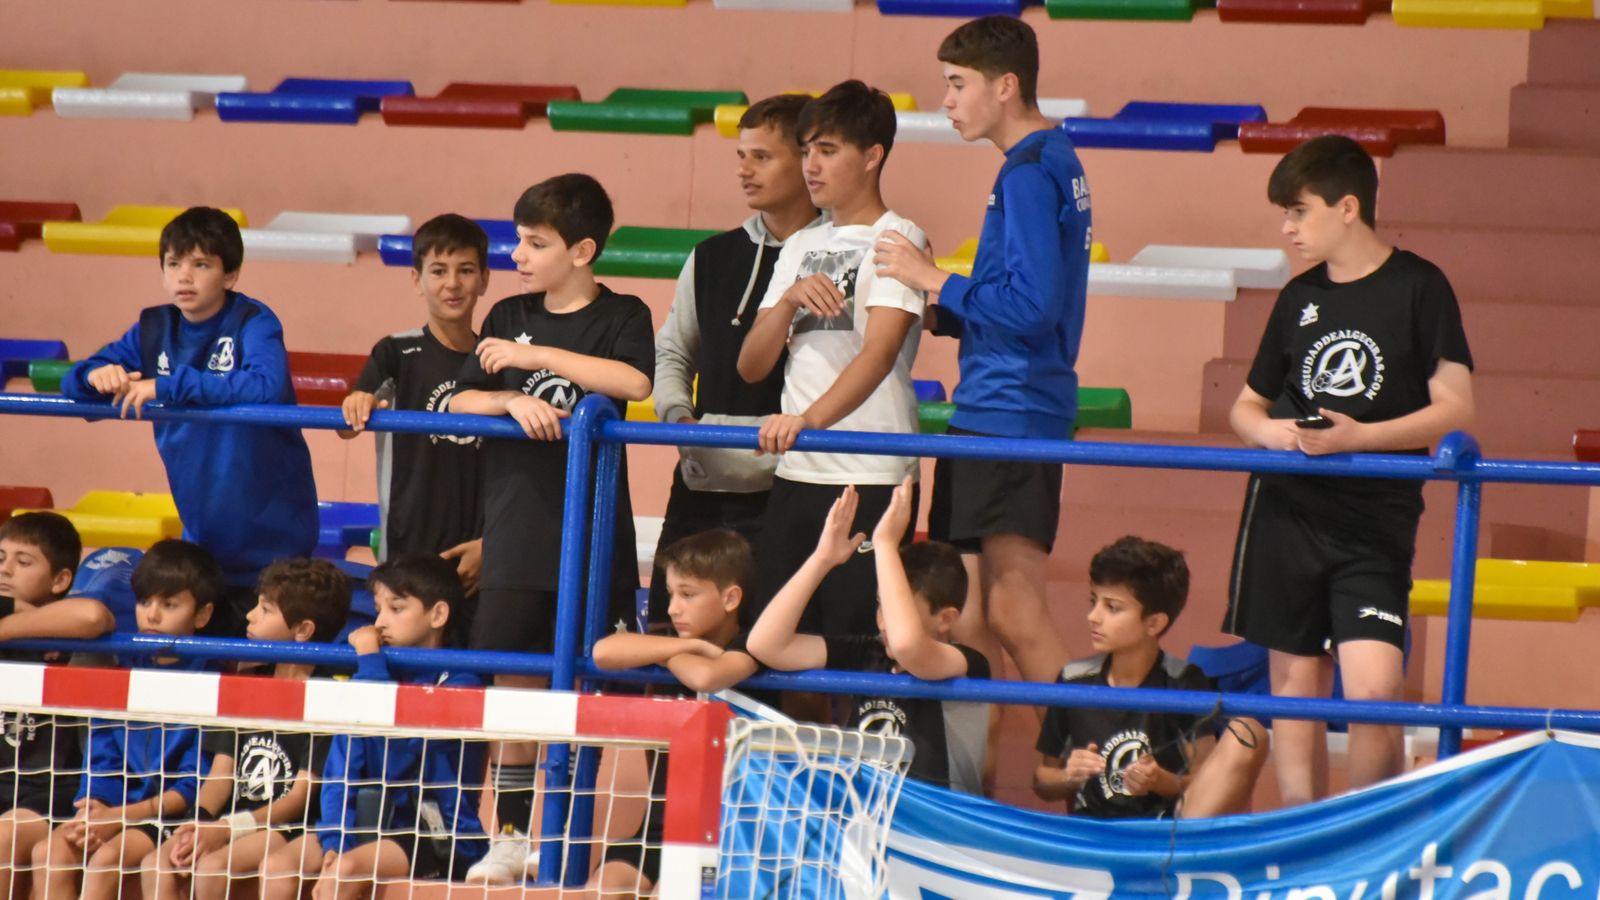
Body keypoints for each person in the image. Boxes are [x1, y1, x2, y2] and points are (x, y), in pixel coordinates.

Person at [1224, 134, 1474, 806]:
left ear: (1348, 209)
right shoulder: (1295, 298)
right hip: (1287, 513)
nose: (1287, 228)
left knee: (1374, 691)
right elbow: (1243, 409)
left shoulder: (1421, 286)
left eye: (1298, 211)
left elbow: (1456, 405)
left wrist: (1361, 439)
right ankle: (1301, 840)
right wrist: (1269, 432)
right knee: (1295, 692)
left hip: (1376, 523)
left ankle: (1369, 841)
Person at [873, 16, 1092, 691]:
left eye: (956, 83)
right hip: (1000, 406)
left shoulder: (1029, 171)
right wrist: (945, 310)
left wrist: (931, 277)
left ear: (1006, 86)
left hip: (1012, 413)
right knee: (962, 619)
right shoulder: (1048, 160)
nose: (946, 100)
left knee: (1012, 612)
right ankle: (979, 781)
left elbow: (1031, 308)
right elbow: (1015, 302)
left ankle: (1095, 769)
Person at [448, 173, 654, 884]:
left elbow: (634, 385)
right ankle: (508, 835)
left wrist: (538, 361)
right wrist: (506, 398)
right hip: (515, 534)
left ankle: (580, 839)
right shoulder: (506, 312)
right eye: (517, 240)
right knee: (514, 686)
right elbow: (459, 397)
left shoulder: (624, 314)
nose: (519, 254)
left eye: (536, 243)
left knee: (595, 680)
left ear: (584, 250)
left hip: (594, 536)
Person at [60, 207, 318, 636]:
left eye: (201, 264)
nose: (185, 276)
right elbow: (77, 385)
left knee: (269, 668)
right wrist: (94, 374)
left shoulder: (254, 321)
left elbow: (265, 386)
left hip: (276, 541)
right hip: (204, 538)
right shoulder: (153, 327)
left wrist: (166, 386)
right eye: (174, 264)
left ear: (230, 274)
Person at [736, 81, 928, 640]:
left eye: (828, 150)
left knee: (854, 643)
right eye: (806, 150)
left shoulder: (900, 236)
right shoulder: (798, 244)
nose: (811, 165)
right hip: (798, 469)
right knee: (775, 640)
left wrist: (808, 421)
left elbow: (880, 352)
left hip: (870, 469)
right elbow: (751, 365)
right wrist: (790, 300)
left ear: (872, 156)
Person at [648, 93, 819, 627]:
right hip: (702, 486)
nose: (744, 170)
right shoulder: (711, 256)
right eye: (740, 155)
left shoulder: (845, 255)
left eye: (762, 157)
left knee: (778, 658)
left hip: (794, 489)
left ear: (808, 159)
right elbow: (673, 350)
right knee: (667, 642)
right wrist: (679, 420)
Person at [747, 477, 991, 794]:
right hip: (865, 821)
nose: (884, 622)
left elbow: (908, 647)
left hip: (934, 830)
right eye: (880, 605)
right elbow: (765, 645)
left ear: (945, 619)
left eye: (897, 608)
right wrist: (822, 560)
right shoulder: (867, 652)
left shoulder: (967, 663)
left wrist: (886, 545)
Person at [261, 556, 485, 900]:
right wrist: (336, 839)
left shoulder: (460, 683)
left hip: (434, 833)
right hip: (367, 821)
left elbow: (406, 750)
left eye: (396, 609)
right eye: (378, 609)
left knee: (345, 872)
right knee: (277, 868)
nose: (379, 623)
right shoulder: (372, 673)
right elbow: (341, 768)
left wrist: (371, 665)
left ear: (438, 615)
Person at [139, 558, 352, 900]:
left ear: (303, 630)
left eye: (264, 610)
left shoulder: (328, 696)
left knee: (211, 869)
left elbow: (299, 797)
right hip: (229, 821)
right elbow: (220, 776)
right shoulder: (247, 684)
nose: (250, 616)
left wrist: (229, 829)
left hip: (282, 826)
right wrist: (200, 823)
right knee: (157, 864)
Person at [30, 540, 222, 900]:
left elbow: (193, 787)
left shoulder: (212, 681)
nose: (152, 615)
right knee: (49, 853)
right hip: (118, 808)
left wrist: (121, 816)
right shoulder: (122, 669)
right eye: (144, 602)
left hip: (167, 816)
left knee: (107, 862)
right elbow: (103, 757)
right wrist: (94, 807)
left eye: (169, 605)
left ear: (202, 615)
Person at [1033, 537, 1269, 819]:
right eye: (1093, 601)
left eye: (1112, 607)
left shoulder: (1184, 682)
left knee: (1249, 731)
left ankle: (1183, 857)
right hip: (1093, 833)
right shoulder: (1073, 680)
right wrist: (1068, 776)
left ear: (1154, 623)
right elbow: (1043, 781)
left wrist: (1161, 781)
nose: (1093, 617)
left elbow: (1204, 782)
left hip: (1165, 833)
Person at [588, 529, 762, 897]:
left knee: (671, 892)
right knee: (602, 889)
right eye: (670, 594)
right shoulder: (675, 640)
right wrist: (688, 647)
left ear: (731, 598)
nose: (672, 608)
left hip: (728, 833)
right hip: (659, 828)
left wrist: (673, 654)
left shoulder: (750, 648)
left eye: (687, 595)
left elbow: (706, 675)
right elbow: (603, 652)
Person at [341, 214, 488, 591]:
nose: (452, 284)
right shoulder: (396, 352)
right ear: (416, 280)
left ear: (485, 279)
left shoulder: (498, 360)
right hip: (407, 549)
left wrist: (492, 545)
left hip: (479, 553)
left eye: (466, 270)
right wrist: (357, 403)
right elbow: (348, 425)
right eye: (438, 271)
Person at [0, 513, 126, 900]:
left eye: (23, 562)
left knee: (5, 836)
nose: (6, 569)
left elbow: (91, 616)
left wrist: (14, 619)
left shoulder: (73, 637)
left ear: (61, 580)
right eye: (0, 557)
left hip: (45, 794)